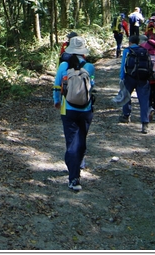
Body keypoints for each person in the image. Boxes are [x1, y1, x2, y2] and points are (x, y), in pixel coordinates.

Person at [53, 35, 95, 192]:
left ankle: (74, 177)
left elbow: (57, 85)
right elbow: (92, 86)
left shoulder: (63, 65)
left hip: (67, 109)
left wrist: (56, 100)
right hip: (86, 109)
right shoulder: (89, 67)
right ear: (83, 51)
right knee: (81, 141)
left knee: (71, 142)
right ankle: (76, 167)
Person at [118, 34, 151, 134]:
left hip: (130, 77)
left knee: (126, 95)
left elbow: (123, 65)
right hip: (143, 78)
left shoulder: (127, 51)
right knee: (144, 100)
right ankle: (145, 123)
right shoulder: (144, 51)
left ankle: (126, 115)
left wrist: (122, 77)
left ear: (130, 42)